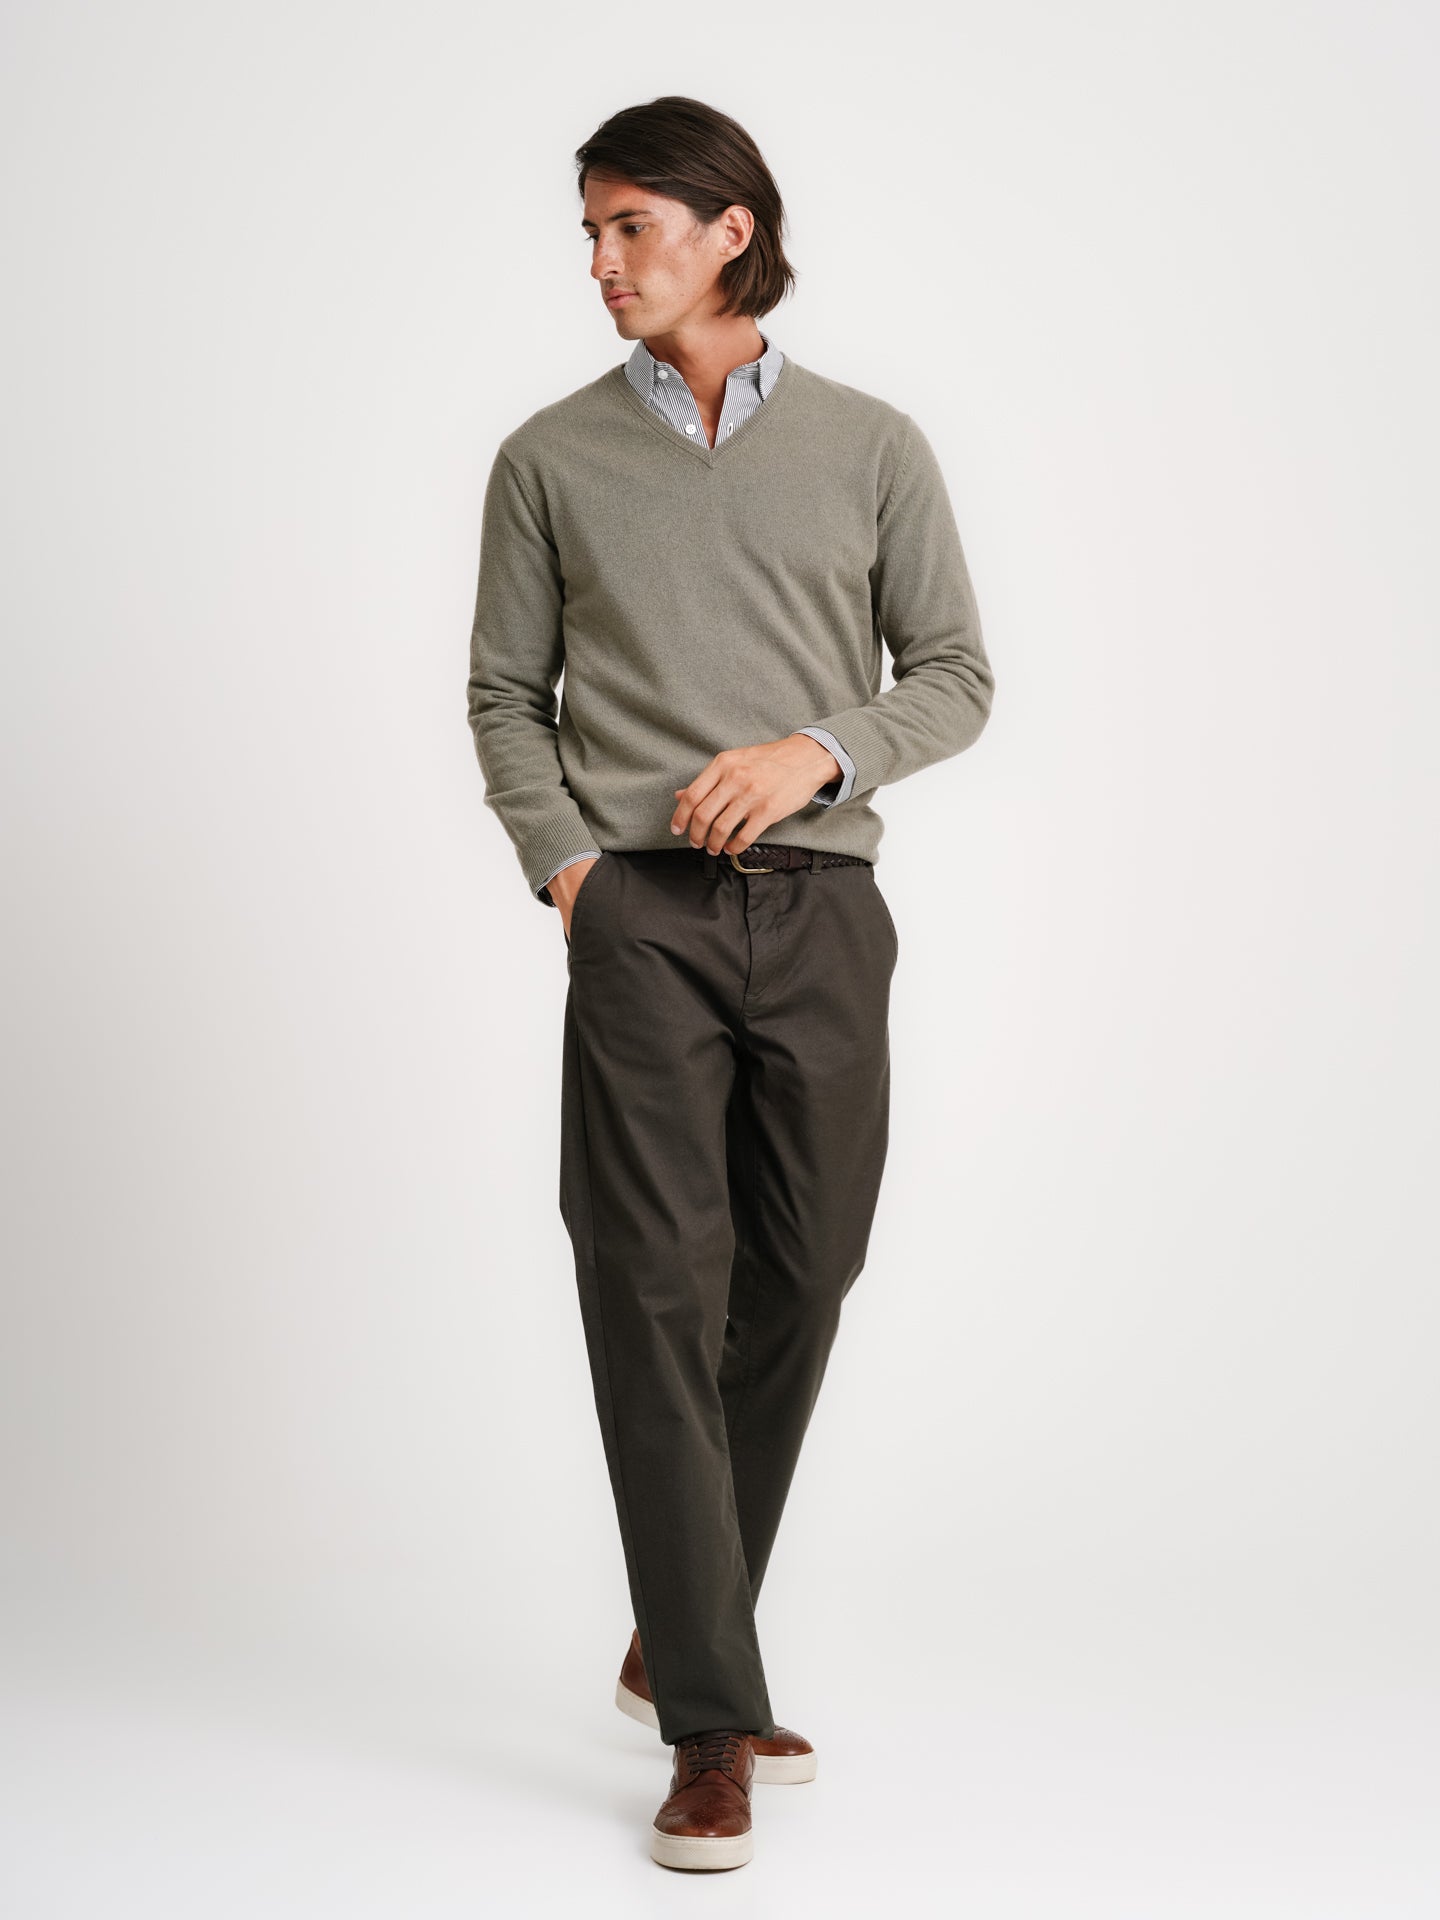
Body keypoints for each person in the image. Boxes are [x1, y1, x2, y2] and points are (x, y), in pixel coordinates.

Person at [466, 93, 994, 1872]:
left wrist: (814, 754)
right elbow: (504, 696)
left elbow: (953, 674)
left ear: (731, 230)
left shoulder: (871, 445)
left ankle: (682, 1626)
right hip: (641, 918)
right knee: (650, 1288)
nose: (602, 262)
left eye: (631, 226)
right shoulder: (548, 459)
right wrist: (572, 870)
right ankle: (709, 1722)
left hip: (824, 908)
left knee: (807, 1268)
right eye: (592, 231)